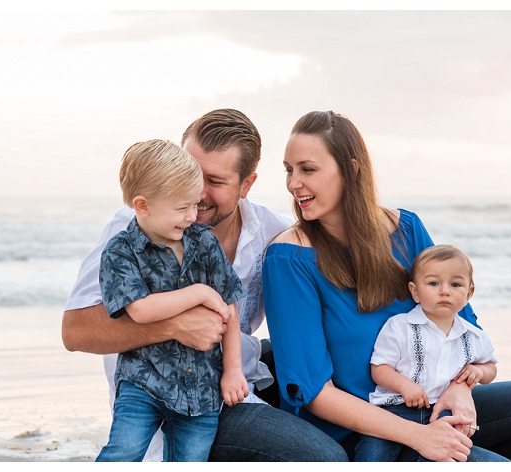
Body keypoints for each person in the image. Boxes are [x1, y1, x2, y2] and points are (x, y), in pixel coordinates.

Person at [262, 110, 511, 462]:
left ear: (351, 170)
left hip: (429, 405)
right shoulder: (289, 257)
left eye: (307, 169)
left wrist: (460, 389)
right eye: (289, 170)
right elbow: (315, 394)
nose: (293, 183)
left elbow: (462, 323)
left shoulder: (406, 229)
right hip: (360, 433)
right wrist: (422, 437)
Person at [63, 109, 347, 461]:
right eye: (190, 171)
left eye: (214, 180)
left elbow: (335, 292)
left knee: (340, 364)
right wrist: (174, 326)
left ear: (247, 185)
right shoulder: (131, 229)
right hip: (172, 398)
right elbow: (74, 331)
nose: (197, 193)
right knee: (322, 457)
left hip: (237, 374)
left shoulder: (273, 232)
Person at [95, 139, 249, 461]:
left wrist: (233, 370)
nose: (193, 215)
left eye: (194, 204)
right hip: (143, 383)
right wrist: (200, 292)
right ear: (142, 206)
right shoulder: (119, 252)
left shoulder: (204, 242)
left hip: (201, 391)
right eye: (182, 208)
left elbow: (230, 307)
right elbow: (140, 310)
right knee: (121, 454)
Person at [355, 244, 502, 462]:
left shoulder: (473, 335)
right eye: (433, 283)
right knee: (373, 456)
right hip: (394, 410)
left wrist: (478, 372)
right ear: (415, 291)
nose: (445, 291)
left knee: (446, 454)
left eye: (456, 284)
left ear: (469, 292)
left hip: (444, 411)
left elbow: (491, 367)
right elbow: (380, 368)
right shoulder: (399, 326)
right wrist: (404, 385)